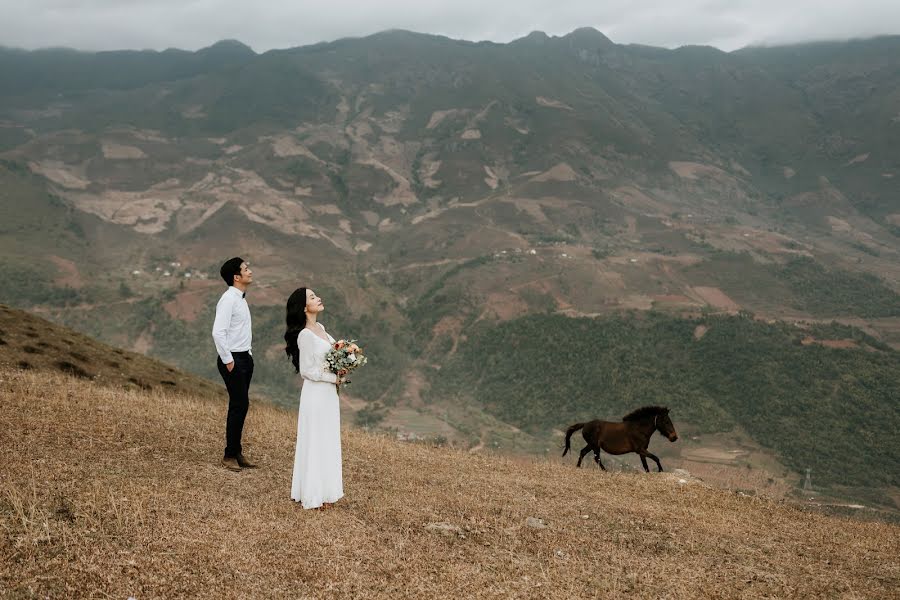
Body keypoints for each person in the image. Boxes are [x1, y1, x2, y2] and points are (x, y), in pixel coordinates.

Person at [284, 287, 347, 509]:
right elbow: (307, 371)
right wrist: (334, 379)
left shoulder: (320, 328)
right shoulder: (305, 334)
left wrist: (343, 365)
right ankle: (313, 494)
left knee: (327, 439)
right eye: (312, 297)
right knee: (316, 440)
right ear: (304, 307)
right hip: (316, 393)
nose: (318, 298)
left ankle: (326, 491)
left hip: (328, 395)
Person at [211, 257, 256, 472]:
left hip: (244, 357)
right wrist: (229, 361)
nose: (250, 271)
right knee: (239, 405)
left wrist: (248, 354)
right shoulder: (228, 299)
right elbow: (218, 332)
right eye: (246, 269)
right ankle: (229, 455)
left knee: (241, 405)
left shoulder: (241, 299)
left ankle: (236, 452)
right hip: (233, 360)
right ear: (236, 277)